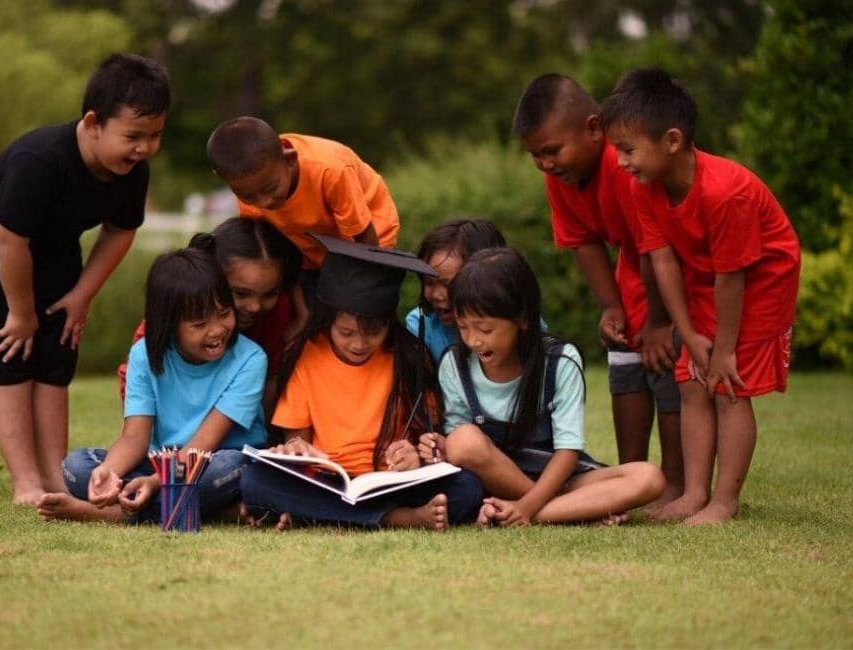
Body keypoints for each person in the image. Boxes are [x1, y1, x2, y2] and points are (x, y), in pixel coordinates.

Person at [0, 53, 170, 505]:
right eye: (133, 136)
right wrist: (20, 312)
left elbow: (121, 230)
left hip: (56, 243)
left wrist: (82, 295)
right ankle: (26, 482)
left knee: (55, 353)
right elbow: (9, 238)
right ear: (93, 123)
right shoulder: (41, 159)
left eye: (154, 136)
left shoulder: (132, 171)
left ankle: (56, 476)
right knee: (12, 352)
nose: (144, 148)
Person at [600, 68, 800, 525]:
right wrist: (688, 334)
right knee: (691, 380)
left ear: (672, 141)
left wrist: (725, 349)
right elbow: (663, 262)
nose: (621, 162)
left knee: (727, 385)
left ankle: (724, 501)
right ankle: (693, 494)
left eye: (628, 150)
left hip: (761, 280)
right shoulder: (643, 187)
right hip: (709, 276)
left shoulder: (726, 193)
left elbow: (734, 277)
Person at [513, 74, 684, 510]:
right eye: (536, 156)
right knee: (625, 365)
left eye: (552, 151)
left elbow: (656, 248)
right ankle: (629, 477)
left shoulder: (625, 165)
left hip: (672, 273)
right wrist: (612, 307)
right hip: (635, 269)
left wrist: (659, 322)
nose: (545, 164)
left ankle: (675, 483)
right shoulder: (561, 179)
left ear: (593, 129)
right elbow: (583, 242)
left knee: (666, 369)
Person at [240, 235, 484, 530]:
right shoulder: (306, 355)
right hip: (327, 481)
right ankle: (397, 518)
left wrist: (414, 455)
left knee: (467, 487)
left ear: (388, 324)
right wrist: (295, 449)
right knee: (254, 481)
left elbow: (427, 438)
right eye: (346, 332)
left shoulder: (408, 357)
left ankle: (318, 515)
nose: (358, 343)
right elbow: (297, 440)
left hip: (391, 481)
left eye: (373, 332)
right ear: (329, 320)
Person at [418, 248, 664, 526]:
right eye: (463, 327)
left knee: (648, 477)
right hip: (493, 477)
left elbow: (568, 451)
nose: (473, 340)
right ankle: (578, 511)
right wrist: (441, 445)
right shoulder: (454, 364)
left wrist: (527, 506)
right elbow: (460, 445)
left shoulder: (560, 361)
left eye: (485, 330)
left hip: (559, 476)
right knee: (462, 441)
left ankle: (530, 512)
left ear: (523, 319)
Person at [37, 247, 268, 523]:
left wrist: (155, 483)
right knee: (77, 466)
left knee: (232, 466)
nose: (217, 329)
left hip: (212, 462)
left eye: (224, 313)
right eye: (200, 324)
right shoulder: (143, 355)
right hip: (161, 465)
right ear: (169, 324)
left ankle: (113, 514)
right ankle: (208, 510)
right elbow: (134, 439)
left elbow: (204, 444)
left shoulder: (250, 359)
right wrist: (109, 472)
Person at [206, 116, 401, 333]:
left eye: (271, 189)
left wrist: (363, 294)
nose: (264, 203)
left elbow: (365, 241)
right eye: (248, 197)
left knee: (353, 320)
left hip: (368, 242)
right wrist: (302, 315)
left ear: (289, 159)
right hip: (311, 246)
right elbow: (274, 252)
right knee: (314, 322)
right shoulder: (252, 183)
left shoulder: (330, 170)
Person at [117, 217, 301, 417]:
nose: (255, 307)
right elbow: (137, 378)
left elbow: (271, 378)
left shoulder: (276, 313)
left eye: (270, 294)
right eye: (240, 293)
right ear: (211, 277)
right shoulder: (176, 314)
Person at [405, 218, 507, 362]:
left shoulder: (514, 323)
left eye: (448, 285)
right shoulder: (421, 326)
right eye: (429, 282)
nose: (436, 295)